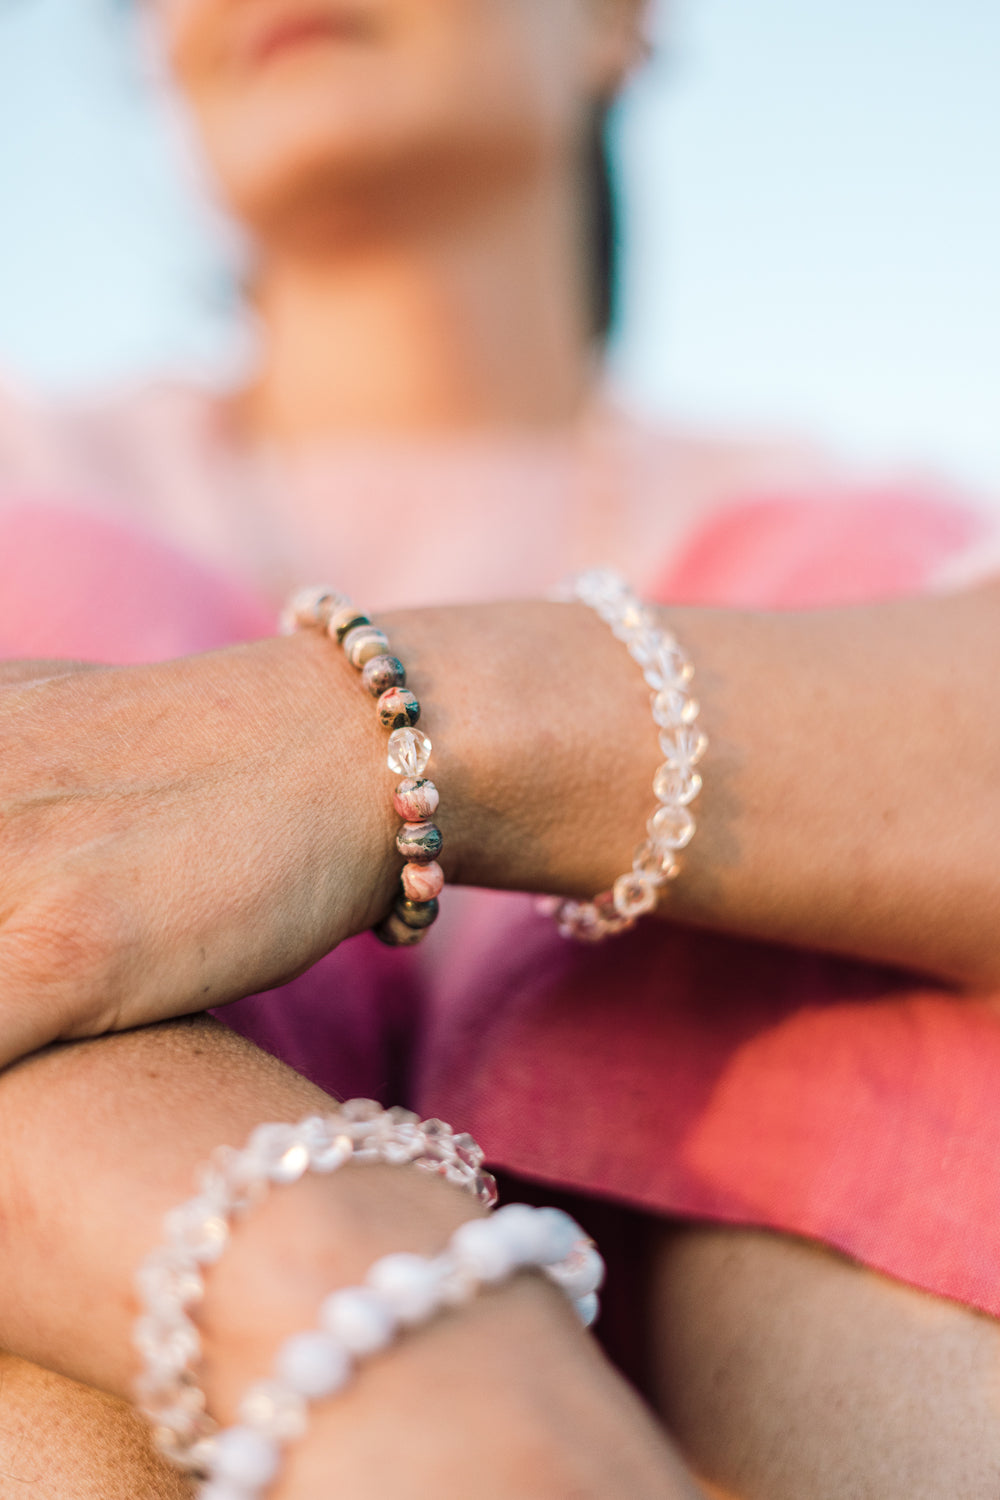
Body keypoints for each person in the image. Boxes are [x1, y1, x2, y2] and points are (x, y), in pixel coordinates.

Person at [0, 2, 999, 1496]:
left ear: (615, 24)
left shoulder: (822, 518)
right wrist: (399, 1318)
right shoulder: (38, 473)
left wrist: (364, 738)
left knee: (850, 602)